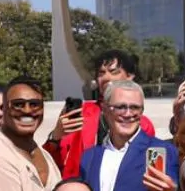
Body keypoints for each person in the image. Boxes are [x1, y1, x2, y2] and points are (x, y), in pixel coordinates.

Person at [79, 80, 177, 191]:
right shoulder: (90, 157)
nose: (128, 113)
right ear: (105, 109)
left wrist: (170, 190)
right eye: (121, 107)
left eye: (135, 108)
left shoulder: (160, 149)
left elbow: (172, 184)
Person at [46, 49, 159, 181]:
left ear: (130, 76)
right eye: (101, 73)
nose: (106, 78)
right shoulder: (81, 113)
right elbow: (51, 160)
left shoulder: (142, 123)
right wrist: (56, 136)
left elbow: (150, 168)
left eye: (114, 72)